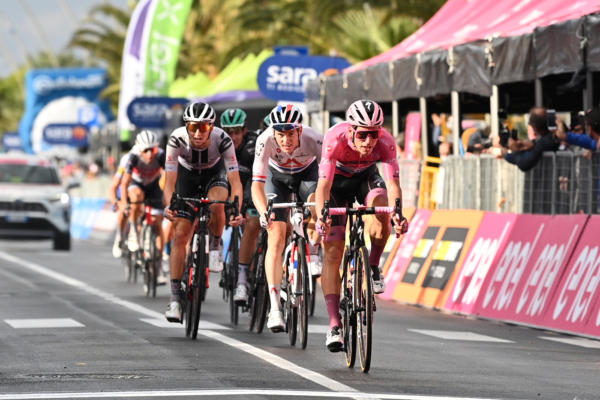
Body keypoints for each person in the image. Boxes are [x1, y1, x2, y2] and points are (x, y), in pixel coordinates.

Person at [314, 99, 408, 352]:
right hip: (335, 185)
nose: (369, 141)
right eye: (363, 134)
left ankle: (373, 266)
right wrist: (322, 216)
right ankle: (334, 324)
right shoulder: (334, 139)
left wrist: (398, 215)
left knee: (382, 206)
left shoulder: (386, 142)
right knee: (333, 252)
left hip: (366, 179)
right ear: (351, 130)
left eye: (374, 134)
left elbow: (393, 185)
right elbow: (323, 187)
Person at [163, 101, 243, 323]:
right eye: (193, 127)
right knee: (180, 235)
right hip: (186, 179)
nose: (198, 133)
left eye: (204, 127)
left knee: (217, 203)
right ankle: (175, 299)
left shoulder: (223, 140)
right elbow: (169, 181)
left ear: (212, 127)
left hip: (213, 175)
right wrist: (169, 205)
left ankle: (216, 242)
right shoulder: (176, 139)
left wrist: (235, 207)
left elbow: (235, 181)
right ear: (186, 126)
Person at [251, 104, 323, 332]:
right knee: (276, 236)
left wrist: (322, 210)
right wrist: (263, 212)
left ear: (300, 130)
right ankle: (274, 309)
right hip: (277, 179)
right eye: (280, 134)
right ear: (273, 132)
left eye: (290, 134)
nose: (285, 140)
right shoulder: (264, 140)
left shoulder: (315, 139)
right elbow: (256, 185)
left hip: (307, 175)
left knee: (316, 203)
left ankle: (313, 248)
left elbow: (327, 179)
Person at [219, 108, 260, 304]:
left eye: (236, 131)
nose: (232, 136)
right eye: (228, 132)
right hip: (227, 185)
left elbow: (253, 181)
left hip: (249, 186)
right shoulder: (218, 145)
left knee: (252, 222)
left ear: (244, 131)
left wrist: (246, 206)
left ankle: (246, 275)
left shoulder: (252, 146)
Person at [119, 131, 166, 258]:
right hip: (137, 183)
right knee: (136, 197)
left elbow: (169, 178)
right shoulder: (133, 156)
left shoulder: (161, 155)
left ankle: (159, 262)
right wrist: (124, 203)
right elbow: (124, 183)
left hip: (153, 184)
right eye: (146, 150)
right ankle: (134, 231)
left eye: (153, 150)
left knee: (158, 222)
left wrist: (168, 198)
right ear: (140, 150)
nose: (150, 154)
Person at [503, 107, 560, 172]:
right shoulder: (550, 138)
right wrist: (533, 143)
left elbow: (524, 164)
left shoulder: (545, 142)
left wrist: (515, 151)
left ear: (534, 126)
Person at [109, 151, 132, 258]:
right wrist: (115, 201)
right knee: (123, 211)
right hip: (124, 191)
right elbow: (114, 185)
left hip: (139, 190)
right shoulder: (125, 165)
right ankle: (120, 235)